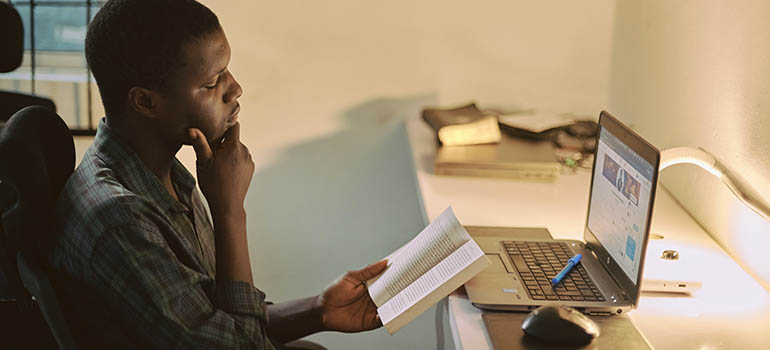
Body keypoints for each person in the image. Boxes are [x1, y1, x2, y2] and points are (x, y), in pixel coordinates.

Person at [49, 0, 387, 348]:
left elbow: (217, 319)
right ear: (146, 103)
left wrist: (320, 310)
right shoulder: (120, 220)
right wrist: (229, 210)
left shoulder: (164, 175)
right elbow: (241, 344)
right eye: (212, 83)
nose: (235, 89)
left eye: (227, 71)